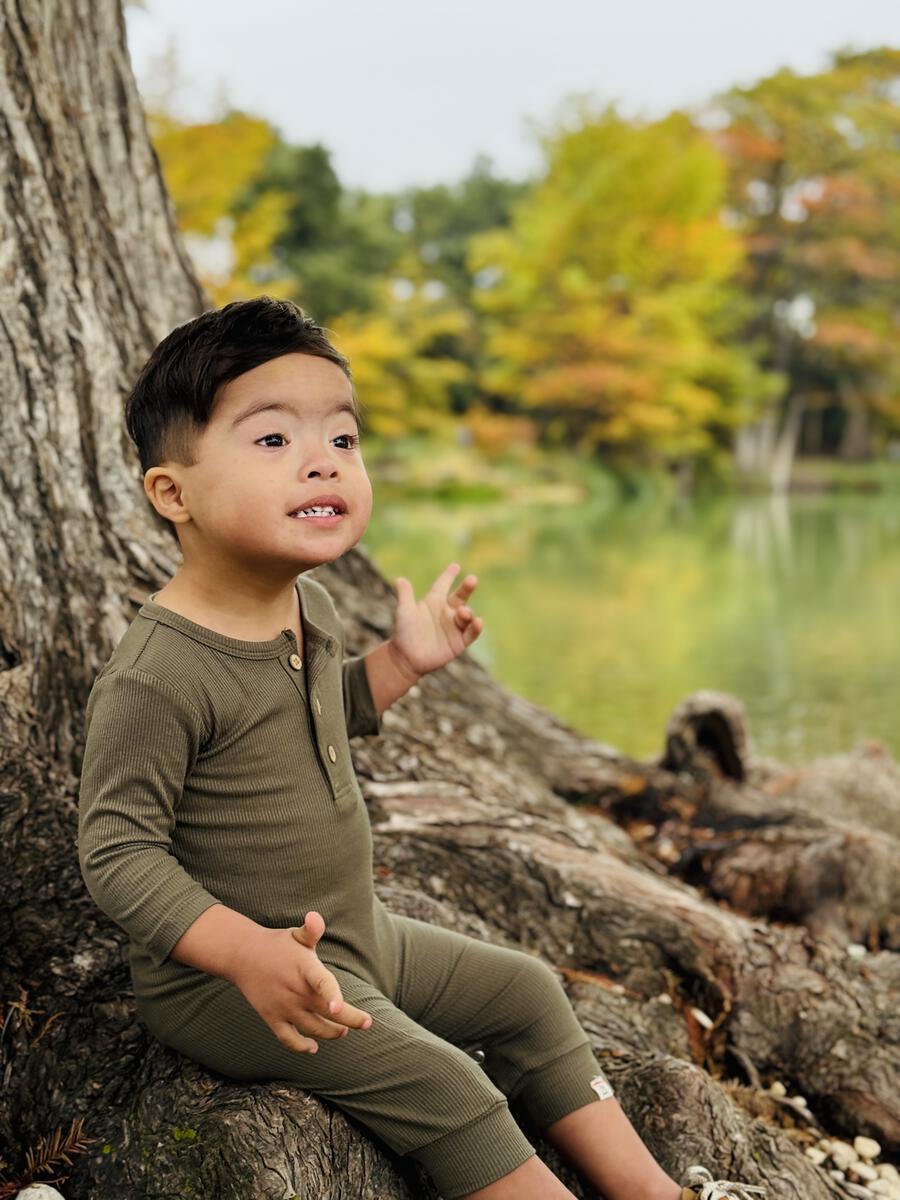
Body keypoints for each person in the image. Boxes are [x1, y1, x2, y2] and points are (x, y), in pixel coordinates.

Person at [77, 296, 765, 1200]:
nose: (323, 459)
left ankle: (656, 1193)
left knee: (523, 991)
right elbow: (117, 852)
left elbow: (320, 713)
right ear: (174, 494)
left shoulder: (306, 609)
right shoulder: (158, 674)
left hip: (357, 937)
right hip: (234, 988)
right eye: (274, 440)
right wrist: (245, 953)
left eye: (344, 440)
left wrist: (401, 662)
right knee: (448, 1080)